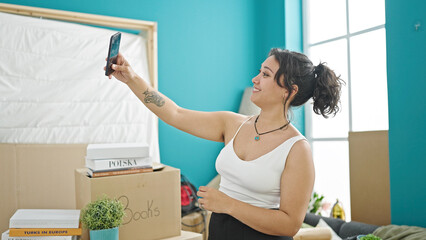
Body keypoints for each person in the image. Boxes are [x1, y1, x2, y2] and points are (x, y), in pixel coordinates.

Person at [105, 48, 343, 240]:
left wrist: (228, 204)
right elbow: (174, 113)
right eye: (259, 71)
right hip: (220, 231)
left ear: (289, 91)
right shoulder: (232, 124)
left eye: (266, 75)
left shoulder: (297, 149)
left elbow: (290, 224)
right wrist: (131, 78)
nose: (255, 79)